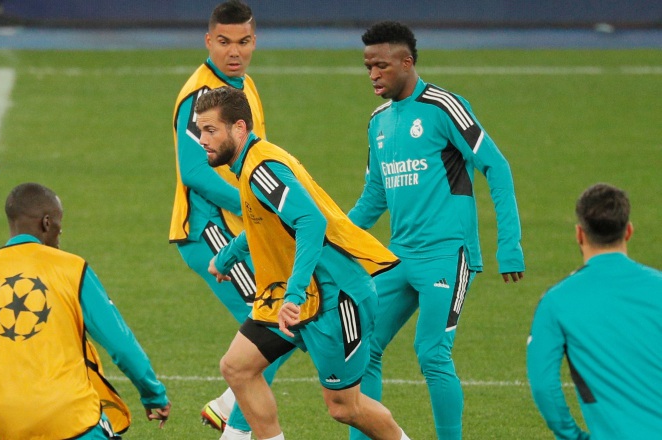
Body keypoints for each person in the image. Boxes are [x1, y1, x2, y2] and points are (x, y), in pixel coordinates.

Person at [198, 86, 412, 440]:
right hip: (293, 298)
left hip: (333, 299)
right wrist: (228, 256)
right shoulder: (251, 164)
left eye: (210, 131)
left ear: (238, 129)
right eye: (201, 131)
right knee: (237, 368)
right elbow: (263, 222)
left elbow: (311, 222)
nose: (203, 140)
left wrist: (294, 295)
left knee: (345, 407)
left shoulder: (262, 168)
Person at [347, 21, 525, 440]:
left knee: (431, 354)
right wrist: (332, 236)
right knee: (364, 349)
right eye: (368, 66)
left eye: (381, 66)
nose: (373, 74)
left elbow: (495, 167)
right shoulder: (377, 122)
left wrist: (510, 245)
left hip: (448, 253)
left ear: (407, 63)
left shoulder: (445, 106)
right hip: (399, 256)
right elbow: (374, 197)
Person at [0, 183, 171, 440]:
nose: (60, 231)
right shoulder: (73, 269)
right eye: (59, 223)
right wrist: (152, 393)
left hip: (7, 427)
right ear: (47, 223)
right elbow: (121, 344)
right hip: (72, 419)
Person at [169, 1, 292, 438]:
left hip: (238, 233)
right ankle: (234, 426)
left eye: (242, 42)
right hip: (208, 231)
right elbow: (196, 171)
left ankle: (228, 406)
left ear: (254, 42)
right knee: (273, 326)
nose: (233, 51)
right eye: (223, 42)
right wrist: (253, 202)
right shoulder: (200, 96)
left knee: (280, 323)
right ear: (208, 41)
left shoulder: (244, 87)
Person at [527, 183, 662, 439]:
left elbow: (544, 386)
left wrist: (571, 435)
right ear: (629, 231)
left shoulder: (556, 302)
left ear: (579, 234)